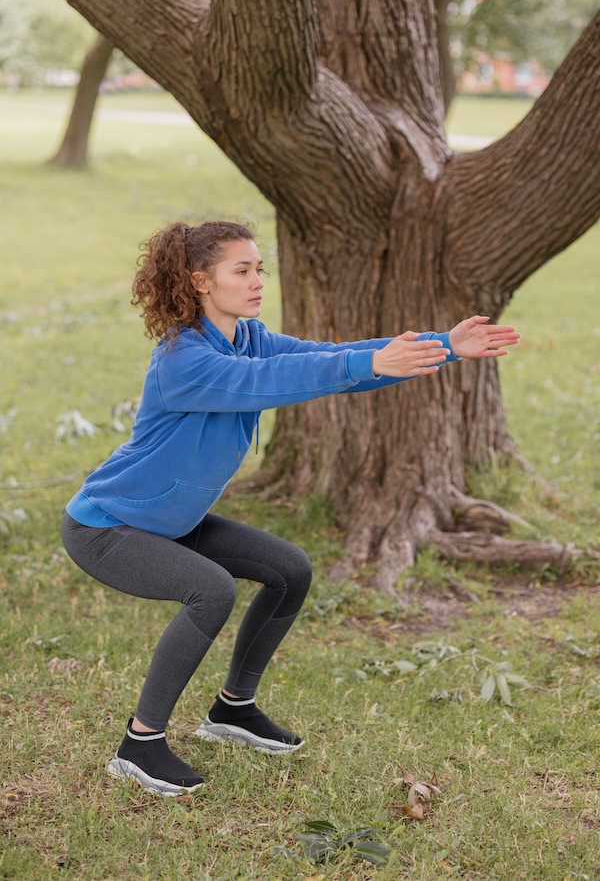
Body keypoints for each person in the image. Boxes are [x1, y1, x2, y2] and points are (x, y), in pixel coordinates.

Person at [61, 220, 520, 797]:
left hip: (171, 524)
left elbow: (326, 359)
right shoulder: (185, 358)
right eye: (242, 270)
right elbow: (275, 381)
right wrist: (369, 365)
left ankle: (232, 711)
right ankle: (141, 743)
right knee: (212, 590)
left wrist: (445, 346)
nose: (257, 282)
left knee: (289, 570)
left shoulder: (246, 337)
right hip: (109, 527)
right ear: (201, 281)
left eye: (260, 269)